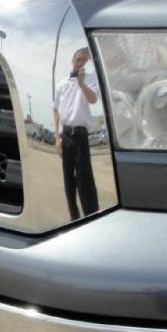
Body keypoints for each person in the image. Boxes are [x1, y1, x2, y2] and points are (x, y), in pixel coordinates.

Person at [53, 47, 100, 220]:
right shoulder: (62, 83)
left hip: (80, 136)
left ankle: (91, 217)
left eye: (84, 60)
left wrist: (81, 83)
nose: (80, 63)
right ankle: (74, 217)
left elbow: (93, 99)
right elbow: (56, 109)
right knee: (68, 179)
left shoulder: (91, 79)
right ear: (72, 60)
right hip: (65, 135)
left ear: (88, 63)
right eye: (78, 59)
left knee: (84, 178)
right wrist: (57, 138)